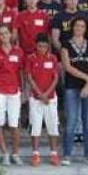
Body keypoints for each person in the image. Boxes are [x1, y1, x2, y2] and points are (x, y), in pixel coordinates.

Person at [61, 16, 88, 165]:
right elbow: (68, 67)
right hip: (72, 87)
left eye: (82, 26)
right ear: (73, 27)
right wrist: (87, 79)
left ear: (86, 28)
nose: (79, 28)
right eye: (77, 26)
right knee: (71, 121)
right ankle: (67, 154)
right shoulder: (66, 45)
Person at [0, 25, 24, 165]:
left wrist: (24, 90)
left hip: (14, 91)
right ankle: (5, 153)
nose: (4, 36)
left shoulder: (18, 51)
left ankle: (15, 153)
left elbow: (21, 72)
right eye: (1, 34)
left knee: (14, 124)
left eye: (6, 33)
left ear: (10, 35)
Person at [26, 33, 61, 166]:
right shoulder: (31, 58)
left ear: (48, 46)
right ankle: (35, 154)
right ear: (36, 45)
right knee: (35, 126)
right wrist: (40, 94)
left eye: (45, 46)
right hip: (36, 98)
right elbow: (29, 78)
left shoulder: (52, 58)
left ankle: (53, 154)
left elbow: (56, 78)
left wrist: (47, 94)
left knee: (53, 126)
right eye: (40, 46)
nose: (42, 49)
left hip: (50, 98)